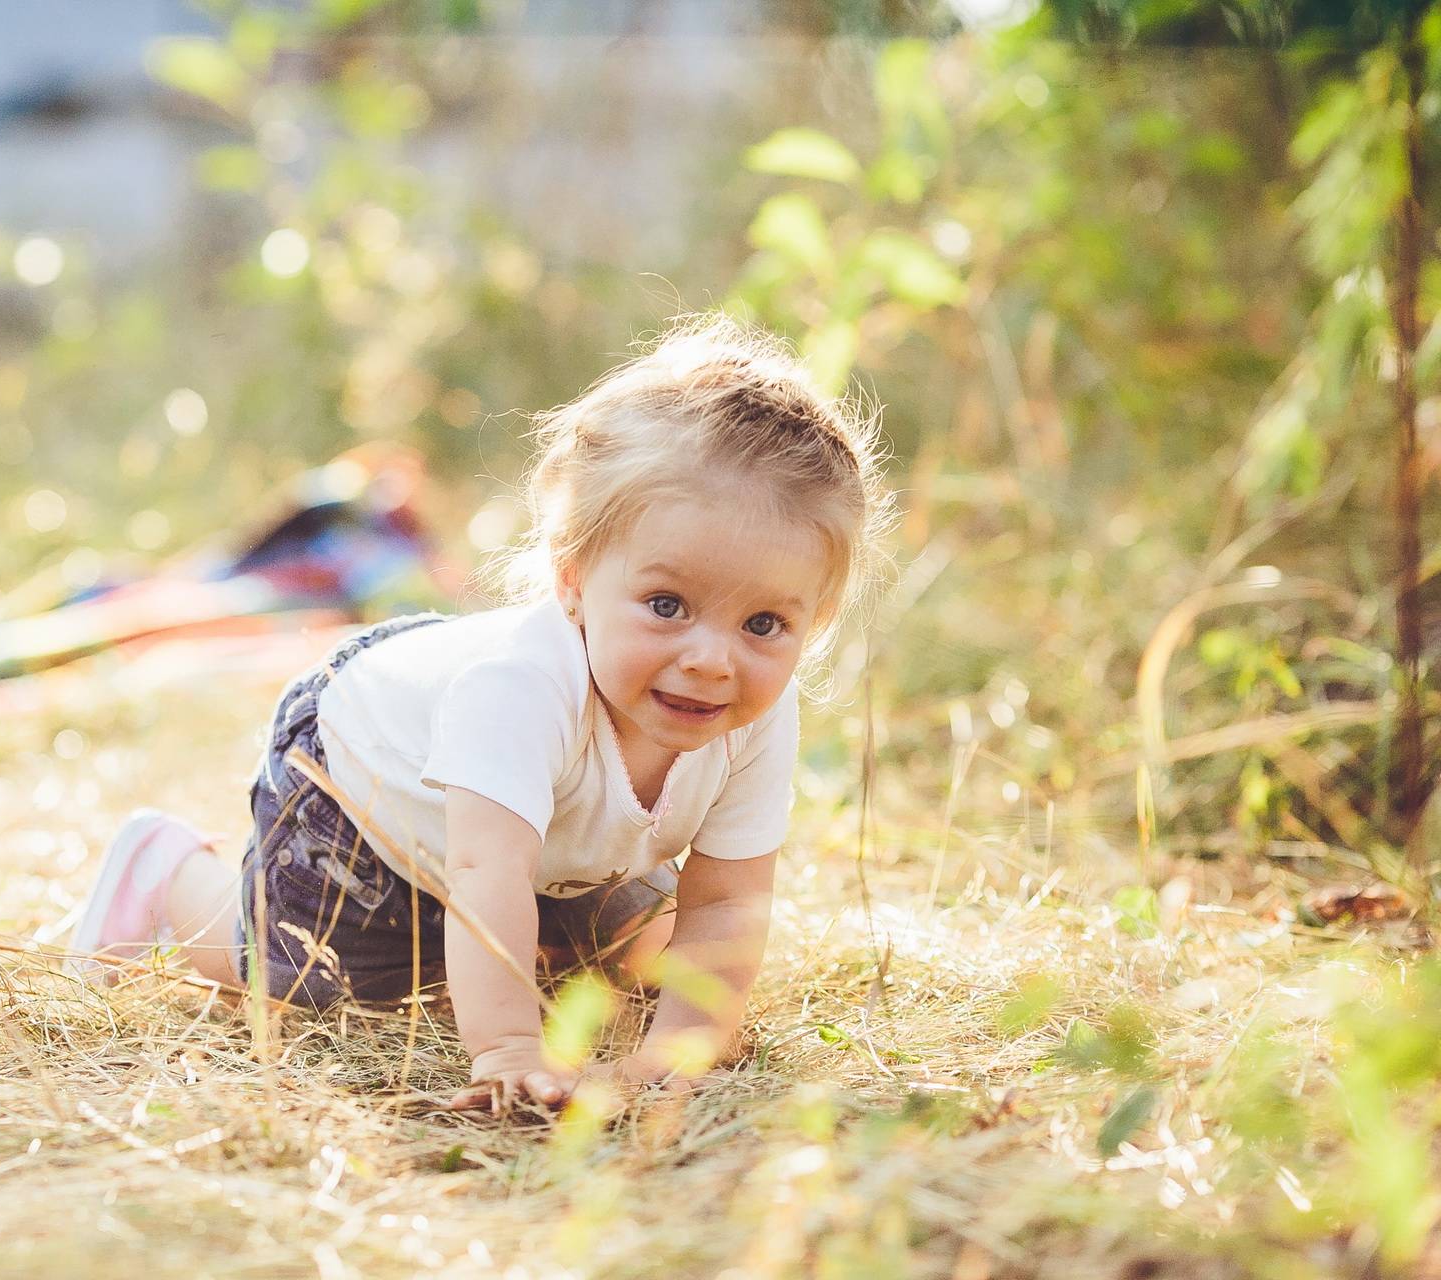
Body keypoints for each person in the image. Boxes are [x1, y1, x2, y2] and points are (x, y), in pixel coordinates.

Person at [69, 311, 892, 1113]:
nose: (713, 659)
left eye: (763, 624)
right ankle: (169, 875)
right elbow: (484, 874)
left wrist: (678, 1052)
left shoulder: (750, 708)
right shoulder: (520, 689)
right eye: (667, 604)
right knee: (319, 983)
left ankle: (547, 933)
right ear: (572, 577)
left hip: (544, 842)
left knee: (636, 964)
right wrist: (508, 1053)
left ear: (810, 622)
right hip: (363, 780)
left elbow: (727, 902)